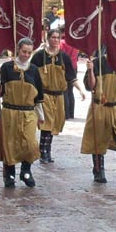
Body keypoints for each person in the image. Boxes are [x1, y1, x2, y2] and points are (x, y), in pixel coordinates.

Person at [81, 49, 116, 185]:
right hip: (99, 106)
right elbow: (91, 87)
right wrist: (90, 71)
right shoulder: (98, 63)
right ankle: (98, 171)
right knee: (98, 139)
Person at [0, 38, 45, 187]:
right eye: (24, 51)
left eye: (29, 52)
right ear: (18, 50)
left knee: (30, 144)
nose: (26, 55)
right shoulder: (7, 67)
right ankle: (9, 175)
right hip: (10, 111)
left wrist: (41, 116)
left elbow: (39, 97)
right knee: (9, 144)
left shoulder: (34, 70)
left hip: (28, 112)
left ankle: (26, 171)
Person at [31, 29, 84, 164]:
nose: (55, 40)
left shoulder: (64, 57)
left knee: (55, 124)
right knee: (46, 123)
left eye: (58, 38)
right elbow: (31, 75)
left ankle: (47, 149)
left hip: (59, 95)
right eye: (53, 37)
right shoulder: (38, 56)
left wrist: (80, 90)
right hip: (45, 94)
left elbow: (71, 77)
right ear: (47, 38)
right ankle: (43, 151)